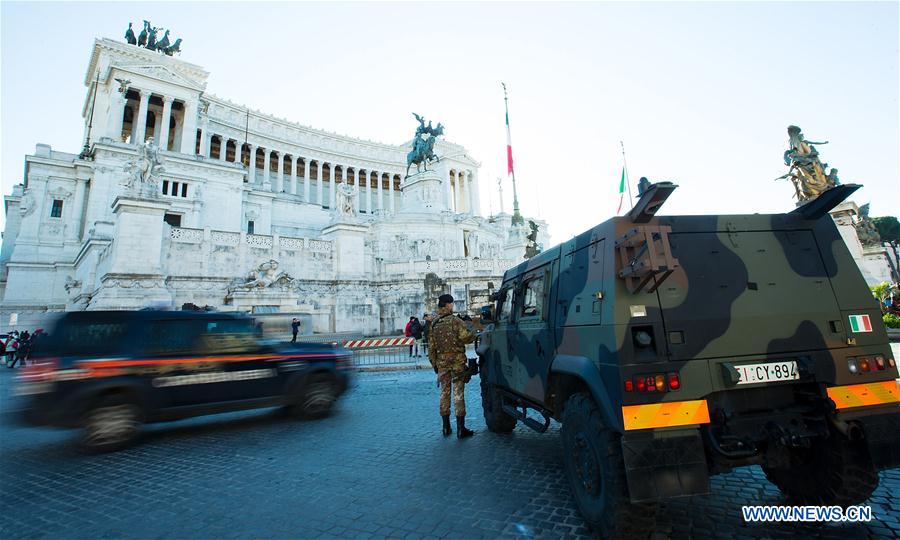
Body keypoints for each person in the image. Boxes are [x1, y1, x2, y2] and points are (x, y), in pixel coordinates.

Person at [428, 294, 476, 439]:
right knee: (458, 393)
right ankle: (461, 429)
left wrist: (434, 364)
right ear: (448, 305)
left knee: (444, 393)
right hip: (457, 363)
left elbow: (431, 348)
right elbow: (466, 338)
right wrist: (471, 329)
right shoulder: (456, 321)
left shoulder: (434, 323)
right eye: (452, 304)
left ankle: (446, 427)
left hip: (442, 363)